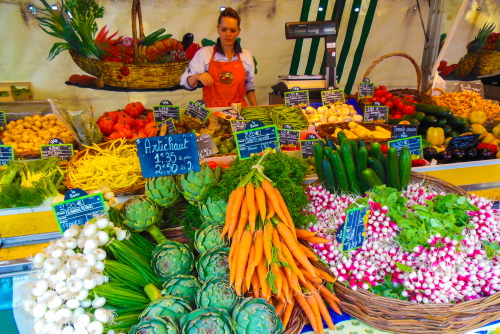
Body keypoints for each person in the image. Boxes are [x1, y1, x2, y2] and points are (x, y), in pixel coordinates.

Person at [180, 7, 257, 107]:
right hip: (212, 111)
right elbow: (185, 82)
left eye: (232, 30)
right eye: (224, 29)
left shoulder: (246, 56)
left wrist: (257, 109)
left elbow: (249, 87)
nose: (228, 34)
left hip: (239, 111)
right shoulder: (205, 53)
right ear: (218, 29)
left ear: (239, 31)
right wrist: (197, 76)